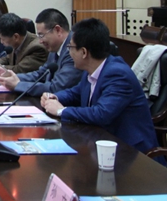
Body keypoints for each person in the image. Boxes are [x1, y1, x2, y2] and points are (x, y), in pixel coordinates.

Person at [42, 18, 159, 154]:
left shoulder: (118, 74)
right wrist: (54, 97)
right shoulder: (92, 69)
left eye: (70, 48)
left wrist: (61, 111)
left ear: (84, 52)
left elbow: (102, 114)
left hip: (132, 153)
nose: (68, 53)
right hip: (102, 143)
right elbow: (76, 92)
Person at [0, 9, 83, 96]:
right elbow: (40, 74)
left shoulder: (74, 50)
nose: (40, 41)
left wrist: (18, 85)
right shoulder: (54, 48)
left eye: (41, 35)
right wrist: (11, 77)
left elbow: (56, 88)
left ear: (58, 30)